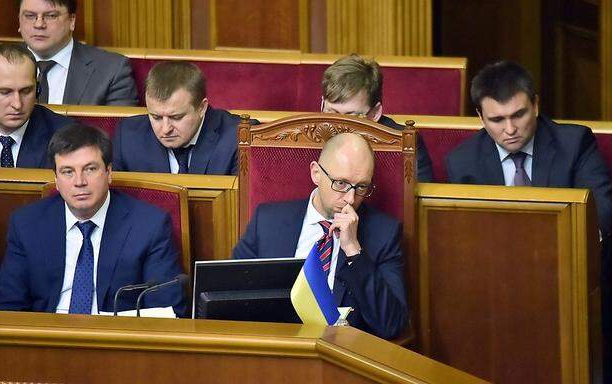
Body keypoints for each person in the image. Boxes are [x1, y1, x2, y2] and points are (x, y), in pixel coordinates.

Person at [445, 60, 612, 383]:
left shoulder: (575, 143)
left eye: (518, 115)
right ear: (480, 118)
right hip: (498, 293)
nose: (510, 129)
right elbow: (465, 240)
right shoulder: (463, 162)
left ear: (536, 104)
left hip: (571, 283)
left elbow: (601, 215)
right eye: (496, 119)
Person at [0, 123, 186, 316]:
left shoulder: (149, 225)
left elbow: (165, 308)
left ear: (109, 173)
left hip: (115, 339)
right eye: (68, 172)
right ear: (56, 180)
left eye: (90, 169)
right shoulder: (27, 224)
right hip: (46, 338)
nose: (79, 182)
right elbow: (7, 305)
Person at [232, 133, 408, 339]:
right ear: (316, 173)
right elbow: (231, 296)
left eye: (361, 187)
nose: (350, 199)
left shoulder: (384, 233)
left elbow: (392, 324)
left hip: (343, 356)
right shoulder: (268, 222)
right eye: (341, 183)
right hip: (274, 349)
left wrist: (353, 251)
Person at [0, 0, 138, 106]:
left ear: (72, 21)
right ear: (19, 21)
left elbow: (117, 137)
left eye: (50, 16)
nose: (39, 24)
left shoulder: (112, 70)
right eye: (30, 16)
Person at [113, 61, 241, 175]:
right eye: (156, 117)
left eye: (176, 117)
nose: (165, 129)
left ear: (202, 108)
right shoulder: (128, 136)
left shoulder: (239, 138)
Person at [321, 54, 433, 182]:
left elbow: (417, 198)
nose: (338, 126)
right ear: (323, 103)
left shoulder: (405, 143)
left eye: (351, 117)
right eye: (331, 113)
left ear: (375, 113)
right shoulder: (303, 135)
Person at [0, 43, 72, 168]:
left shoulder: (66, 135)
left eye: (26, 91)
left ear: (37, 90)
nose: (17, 104)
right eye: (5, 92)